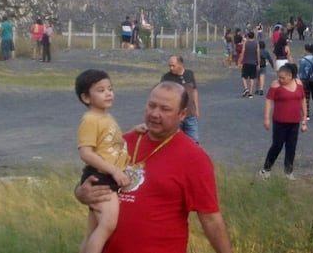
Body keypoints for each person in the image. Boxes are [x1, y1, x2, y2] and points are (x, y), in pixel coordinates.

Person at [75, 81, 235, 253]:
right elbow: (91, 178)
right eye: (151, 106)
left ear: (182, 114)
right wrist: (80, 193)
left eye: (165, 109)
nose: (155, 114)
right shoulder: (123, 142)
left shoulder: (194, 158)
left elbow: (210, 218)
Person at [75, 69, 130, 253]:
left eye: (110, 88)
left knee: (92, 230)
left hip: (108, 176)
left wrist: (136, 130)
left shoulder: (105, 116)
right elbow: (86, 153)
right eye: (101, 90)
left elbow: (112, 142)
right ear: (86, 98)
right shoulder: (90, 119)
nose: (108, 93)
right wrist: (114, 171)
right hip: (101, 177)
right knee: (107, 224)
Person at [259, 63, 307, 181]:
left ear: (290, 76)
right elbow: (269, 101)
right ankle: (266, 170)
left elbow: (303, 100)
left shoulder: (299, 84)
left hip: (294, 122)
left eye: (283, 78)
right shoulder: (275, 86)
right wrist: (266, 118)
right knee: (277, 146)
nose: (280, 79)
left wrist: (304, 119)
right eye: (279, 77)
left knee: (291, 147)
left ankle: (288, 172)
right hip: (280, 122)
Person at [161, 55, 201, 143]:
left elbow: (194, 91)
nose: (171, 68)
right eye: (169, 66)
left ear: (180, 64)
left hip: (191, 115)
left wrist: (196, 109)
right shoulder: (166, 78)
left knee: (194, 142)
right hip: (175, 117)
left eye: (173, 66)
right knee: (176, 142)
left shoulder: (190, 74)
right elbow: (162, 97)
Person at [298, 43, 313, 120]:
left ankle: (307, 114)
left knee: (306, 97)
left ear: (306, 50)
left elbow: (301, 72)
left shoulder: (303, 60)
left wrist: (300, 80)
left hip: (306, 80)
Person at [239, 31, 260, 98]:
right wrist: (258, 63)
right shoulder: (256, 43)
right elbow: (258, 54)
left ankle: (246, 88)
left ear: (248, 36)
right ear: (253, 36)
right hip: (253, 63)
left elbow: (243, 52)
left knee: (244, 76)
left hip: (246, 62)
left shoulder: (245, 43)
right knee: (252, 78)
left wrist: (240, 61)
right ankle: (250, 93)